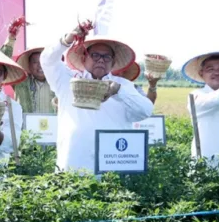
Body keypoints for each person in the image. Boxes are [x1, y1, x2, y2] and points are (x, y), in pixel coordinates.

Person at [39, 26, 154, 173]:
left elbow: (146, 110)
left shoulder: (123, 86)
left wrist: (118, 92)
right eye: (95, 55)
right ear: (84, 58)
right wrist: (66, 40)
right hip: (73, 163)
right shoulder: (68, 80)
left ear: (113, 62)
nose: (101, 60)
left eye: (107, 57)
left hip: (113, 165)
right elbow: (47, 61)